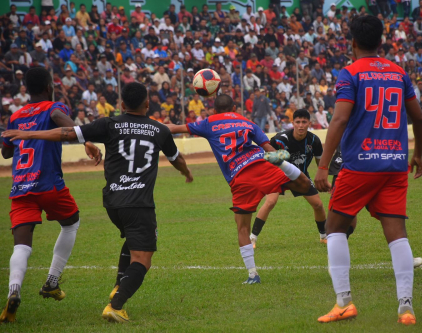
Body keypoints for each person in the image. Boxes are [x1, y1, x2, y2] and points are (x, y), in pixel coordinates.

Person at [2, 82, 193, 323]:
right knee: (143, 259)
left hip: (112, 202)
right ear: (147, 104)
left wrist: (28, 134)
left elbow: (67, 133)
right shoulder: (159, 130)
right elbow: (177, 159)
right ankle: (116, 305)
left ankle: (117, 285)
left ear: (122, 105)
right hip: (138, 204)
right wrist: (186, 172)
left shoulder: (108, 124)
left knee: (131, 238)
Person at [314, 16, 422, 325]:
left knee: (334, 228)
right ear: (380, 41)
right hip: (394, 165)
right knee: (397, 235)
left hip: (360, 165)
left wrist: (323, 165)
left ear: (352, 42)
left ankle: (344, 303)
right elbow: (418, 118)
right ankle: (406, 308)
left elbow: (338, 120)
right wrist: (416, 154)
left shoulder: (350, 73)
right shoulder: (399, 73)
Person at [167, 94, 311, 284]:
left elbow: (174, 129)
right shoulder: (245, 120)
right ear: (234, 107)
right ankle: (285, 167)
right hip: (261, 163)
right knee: (305, 184)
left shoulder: (208, 123)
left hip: (239, 176)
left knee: (242, 227)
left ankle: (253, 275)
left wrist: (149, 127)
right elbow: (267, 147)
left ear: (214, 110)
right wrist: (277, 157)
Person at [0, 67, 101, 323]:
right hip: (48, 184)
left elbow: (6, 152)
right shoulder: (53, 106)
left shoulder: (16, 116)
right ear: (48, 87)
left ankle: (14, 291)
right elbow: (58, 117)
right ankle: (52, 281)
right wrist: (84, 139)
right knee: (72, 222)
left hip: (21, 188)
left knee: (21, 245)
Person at [250, 109, 326, 247]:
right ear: (293, 123)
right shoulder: (280, 139)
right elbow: (266, 157)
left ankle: (324, 236)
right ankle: (252, 238)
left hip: (300, 177)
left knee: (318, 204)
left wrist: (323, 177)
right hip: (278, 175)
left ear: (309, 123)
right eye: (298, 122)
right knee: (270, 202)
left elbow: (320, 164)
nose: (301, 125)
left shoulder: (314, 140)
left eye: (304, 122)